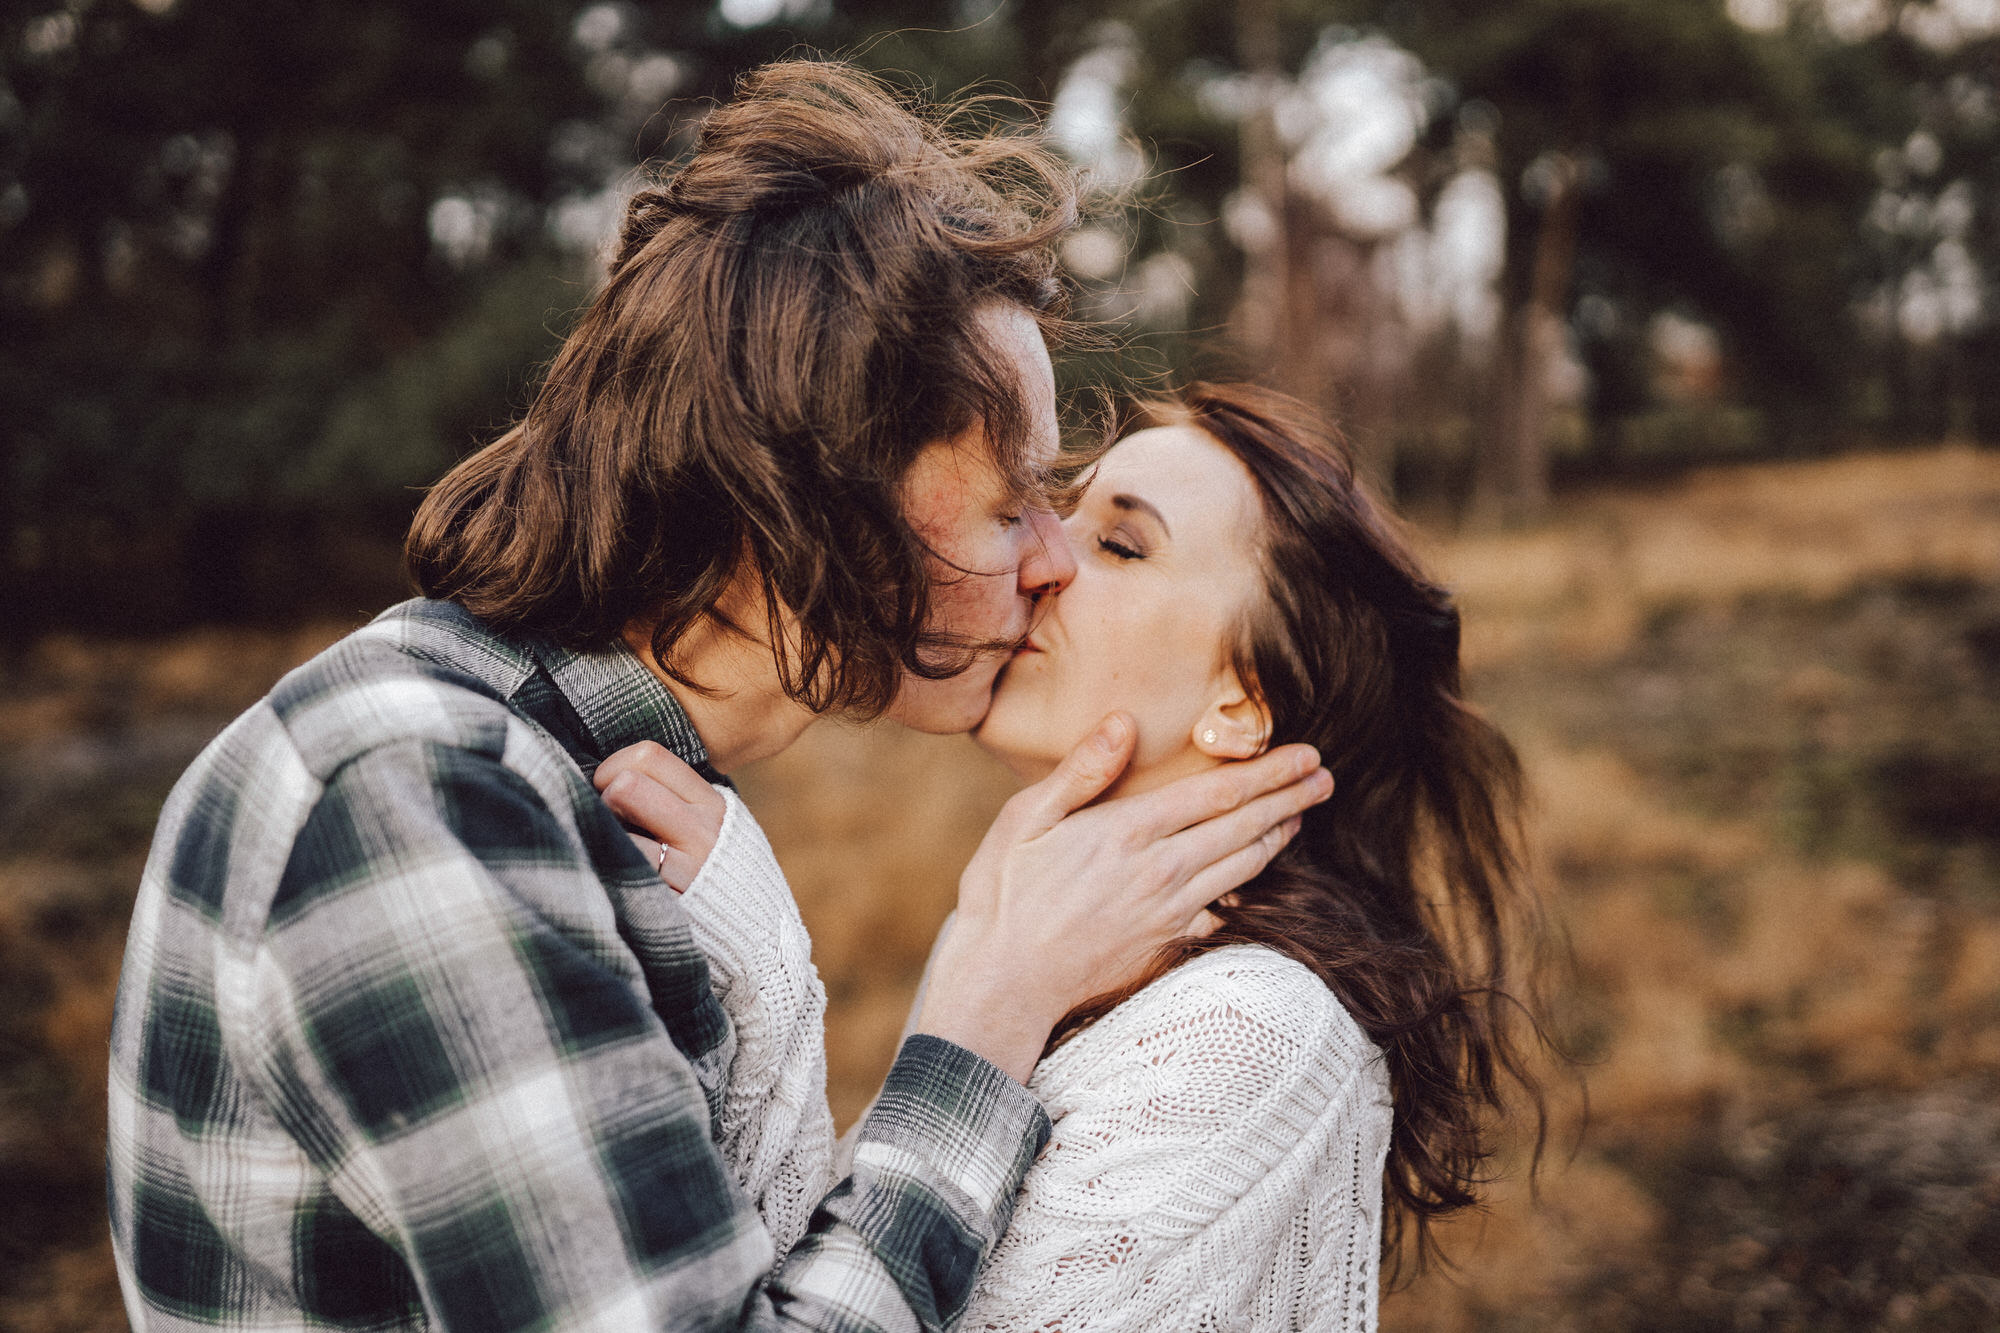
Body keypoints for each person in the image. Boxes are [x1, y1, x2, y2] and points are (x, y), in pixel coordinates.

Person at [104, 65, 1330, 1333]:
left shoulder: (570, 786)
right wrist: (984, 1015)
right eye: (1010, 496)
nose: (1050, 557)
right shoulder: (415, 799)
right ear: (808, 497)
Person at [610, 384, 1547, 1331]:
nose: (1044, 557)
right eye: (1060, 509)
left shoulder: (1257, 1031)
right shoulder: (1038, 942)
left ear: (1242, 701)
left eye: (1121, 544)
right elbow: (824, 1285)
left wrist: (772, 981)